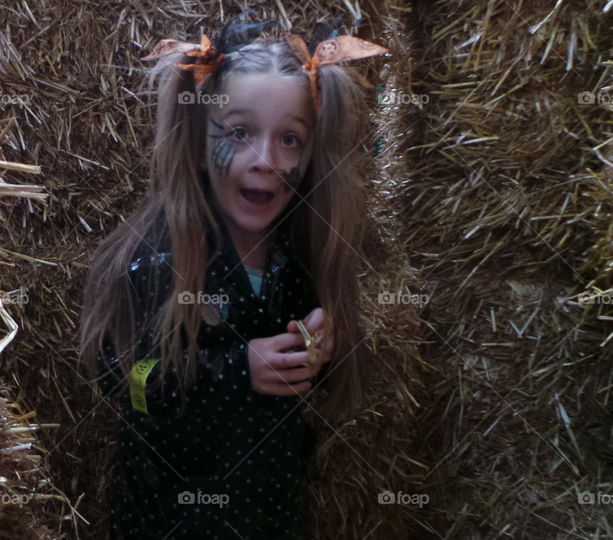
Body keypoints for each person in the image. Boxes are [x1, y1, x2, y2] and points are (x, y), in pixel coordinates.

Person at [78, 12, 385, 539]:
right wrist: (237, 368)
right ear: (199, 142)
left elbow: (314, 392)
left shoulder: (299, 256)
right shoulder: (163, 259)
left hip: (268, 512)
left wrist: (319, 348)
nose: (265, 159)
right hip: (170, 519)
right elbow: (123, 382)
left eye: (290, 139)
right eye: (239, 133)